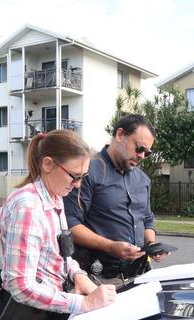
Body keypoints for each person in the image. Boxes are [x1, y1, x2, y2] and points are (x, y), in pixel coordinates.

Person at [0, 130, 117, 320]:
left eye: (82, 177)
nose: (77, 186)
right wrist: (84, 303)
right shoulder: (28, 207)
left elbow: (61, 252)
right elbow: (21, 286)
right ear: (48, 164)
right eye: (74, 176)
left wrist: (78, 275)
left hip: (38, 314)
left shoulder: (53, 197)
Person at [64, 114, 169, 290]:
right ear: (120, 135)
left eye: (147, 153)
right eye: (139, 148)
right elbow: (70, 225)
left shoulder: (143, 180)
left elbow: (147, 218)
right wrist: (111, 247)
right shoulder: (87, 170)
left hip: (140, 275)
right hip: (99, 279)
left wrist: (151, 244)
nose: (142, 156)